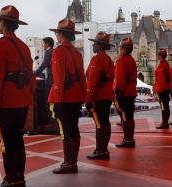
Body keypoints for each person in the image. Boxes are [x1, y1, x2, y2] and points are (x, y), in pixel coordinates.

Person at [0, 5, 35, 187]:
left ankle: (10, 178)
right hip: (22, 101)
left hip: (5, 102)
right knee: (18, 139)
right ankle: (20, 177)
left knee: (6, 141)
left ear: (2, 23)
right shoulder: (24, 47)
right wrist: (28, 98)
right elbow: (31, 77)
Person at [48, 19, 86, 173]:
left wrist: (58, 100)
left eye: (57, 33)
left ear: (61, 34)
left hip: (63, 97)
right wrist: (84, 96)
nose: (56, 35)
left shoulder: (58, 51)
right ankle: (73, 162)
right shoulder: (77, 54)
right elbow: (82, 79)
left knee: (66, 131)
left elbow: (59, 80)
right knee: (74, 129)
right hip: (76, 97)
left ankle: (69, 163)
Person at [85, 32, 115, 159]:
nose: (93, 45)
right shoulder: (109, 60)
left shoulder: (96, 60)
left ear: (99, 45)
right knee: (105, 123)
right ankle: (104, 149)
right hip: (107, 96)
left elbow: (92, 82)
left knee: (99, 124)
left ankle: (100, 150)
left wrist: (88, 100)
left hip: (98, 97)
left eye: (94, 43)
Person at [114, 37, 137, 147]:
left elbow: (120, 78)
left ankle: (127, 139)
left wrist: (118, 92)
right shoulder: (131, 60)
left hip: (124, 93)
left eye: (121, 47)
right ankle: (130, 139)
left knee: (125, 117)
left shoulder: (122, 60)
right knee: (129, 117)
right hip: (131, 93)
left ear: (123, 49)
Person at [34, 37, 56, 128]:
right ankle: (53, 120)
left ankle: (51, 121)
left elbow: (44, 65)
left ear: (47, 44)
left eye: (43, 43)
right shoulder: (54, 51)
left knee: (47, 100)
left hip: (50, 80)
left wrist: (34, 73)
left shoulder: (48, 52)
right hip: (52, 79)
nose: (42, 45)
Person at [154, 48, 171, 129]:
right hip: (166, 89)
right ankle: (165, 122)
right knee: (166, 106)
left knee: (164, 107)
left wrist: (159, 90)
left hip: (163, 90)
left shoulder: (162, 65)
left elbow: (161, 80)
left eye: (158, 55)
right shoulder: (166, 64)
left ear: (160, 56)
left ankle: (164, 123)